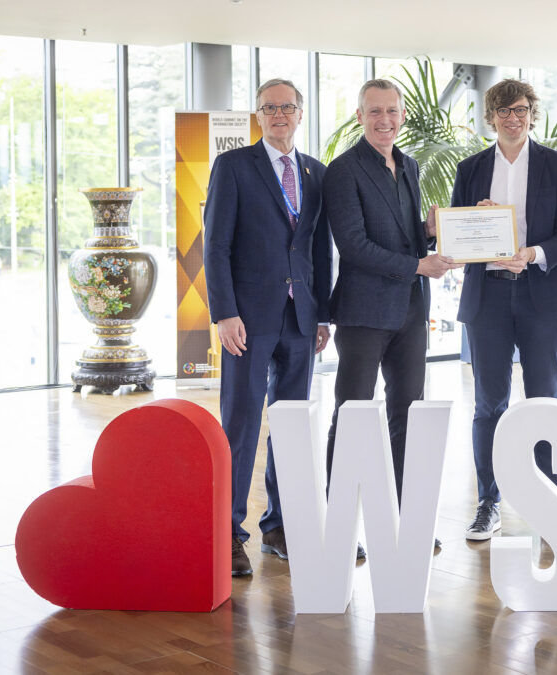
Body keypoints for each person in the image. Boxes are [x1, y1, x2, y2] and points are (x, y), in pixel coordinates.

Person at [204, 78, 332, 576]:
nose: (278, 114)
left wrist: (321, 313)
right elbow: (215, 246)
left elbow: (319, 249)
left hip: (301, 319)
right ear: (258, 116)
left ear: (301, 113)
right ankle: (229, 533)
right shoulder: (233, 167)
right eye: (268, 107)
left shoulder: (315, 173)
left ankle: (280, 526)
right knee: (239, 425)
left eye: (287, 106)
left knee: (291, 426)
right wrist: (224, 312)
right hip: (248, 319)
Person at [323, 79, 456, 550]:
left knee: (409, 413)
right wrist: (419, 263)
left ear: (401, 115)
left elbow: (406, 240)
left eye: (392, 111)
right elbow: (354, 248)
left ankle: (407, 520)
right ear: (360, 116)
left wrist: (431, 232)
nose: (385, 120)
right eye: (375, 111)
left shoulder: (410, 165)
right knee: (353, 412)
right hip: (363, 312)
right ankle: (337, 526)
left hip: (410, 311)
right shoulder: (342, 171)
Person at [451, 79, 557, 540]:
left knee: (545, 398)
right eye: (503, 110)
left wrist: (531, 253)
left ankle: (551, 501)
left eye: (520, 109)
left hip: (539, 294)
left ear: (531, 114)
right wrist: (476, 218)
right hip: (486, 297)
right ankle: (489, 502)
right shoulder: (470, 169)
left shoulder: (556, 165)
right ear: (491, 117)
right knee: (488, 403)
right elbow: (455, 238)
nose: (513, 117)